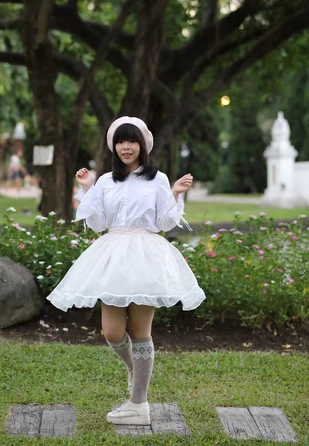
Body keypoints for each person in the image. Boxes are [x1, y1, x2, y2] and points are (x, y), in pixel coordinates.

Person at [47, 116, 205, 426]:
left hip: (146, 256)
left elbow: (163, 224)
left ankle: (138, 403)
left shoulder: (157, 179)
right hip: (113, 257)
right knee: (112, 331)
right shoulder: (106, 180)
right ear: (114, 146)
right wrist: (88, 189)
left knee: (140, 331)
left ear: (143, 145)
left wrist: (174, 193)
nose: (126, 146)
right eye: (120, 141)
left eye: (132, 141)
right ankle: (136, 370)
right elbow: (98, 224)